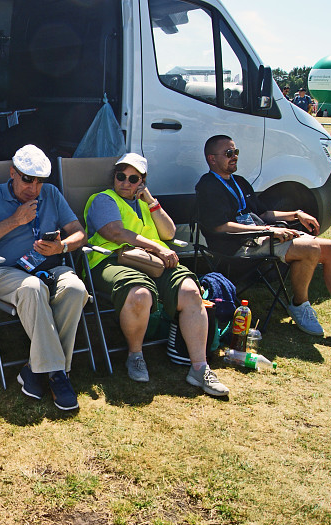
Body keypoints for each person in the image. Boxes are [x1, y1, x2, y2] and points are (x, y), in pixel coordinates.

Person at [84, 153, 229, 396]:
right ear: (114, 177)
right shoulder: (103, 199)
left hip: (152, 262)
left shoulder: (145, 204)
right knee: (139, 294)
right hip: (111, 260)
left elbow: (169, 233)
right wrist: (158, 248)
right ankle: (135, 355)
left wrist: (151, 201)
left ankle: (199, 367)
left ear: (142, 182)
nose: (125, 183)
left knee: (191, 292)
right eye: (121, 176)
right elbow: (115, 233)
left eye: (133, 179)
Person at [195, 135, 331, 340]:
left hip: (262, 236)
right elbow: (220, 226)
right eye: (229, 153)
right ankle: (299, 304)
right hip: (239, 245)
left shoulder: (240, 182)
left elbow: (263, 213)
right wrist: (268, 231)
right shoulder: (208, 186)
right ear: (212, 159)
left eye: (236, 152)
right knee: (310, 249)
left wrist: (296, 214)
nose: (234, 156)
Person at [0, 144, 89, 411]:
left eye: (39, 181)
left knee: (76, 289)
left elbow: (80, 233)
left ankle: (36, 369)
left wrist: (62, 247)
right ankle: (58, 374)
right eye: (27, 179)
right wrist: (15, 220)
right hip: (6, 271)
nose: (33, 188)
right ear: (12, 172)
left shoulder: (51, 194)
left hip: (49, 267)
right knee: (33, 287)